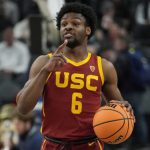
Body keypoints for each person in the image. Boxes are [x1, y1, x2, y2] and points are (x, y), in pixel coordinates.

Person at [16, 2, 135, 150]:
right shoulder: (43, 62)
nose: (68, 26)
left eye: (75, 23)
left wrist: (125, 109)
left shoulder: (103, 67)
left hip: (89, 144)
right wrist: (45, 72)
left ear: (88, 30)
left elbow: (119, 109)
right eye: (64, 24)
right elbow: (22, 108)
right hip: (53, 144)